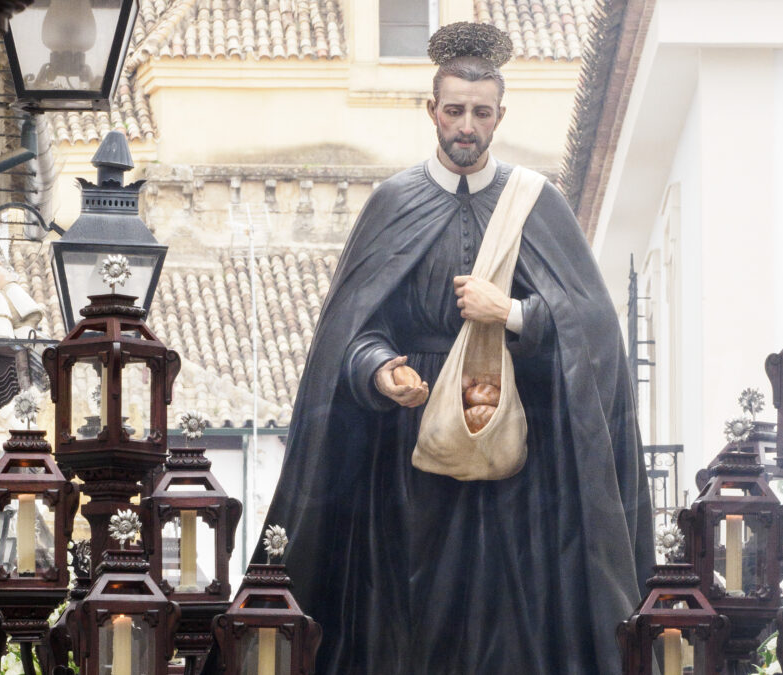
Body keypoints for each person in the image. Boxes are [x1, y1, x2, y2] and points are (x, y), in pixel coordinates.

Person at [259, 22, 654, 674]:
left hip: (513, 450)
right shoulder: (393, 202)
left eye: (480, 112)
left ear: (500, 116)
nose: (466, 126)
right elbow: (352, 332)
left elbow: (594, 330)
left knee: (507, 611)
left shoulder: (537, 203)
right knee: (410, 608)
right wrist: (379, 370)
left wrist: (513, 313)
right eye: (454, 111)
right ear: (432, 111)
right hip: (410, 447)